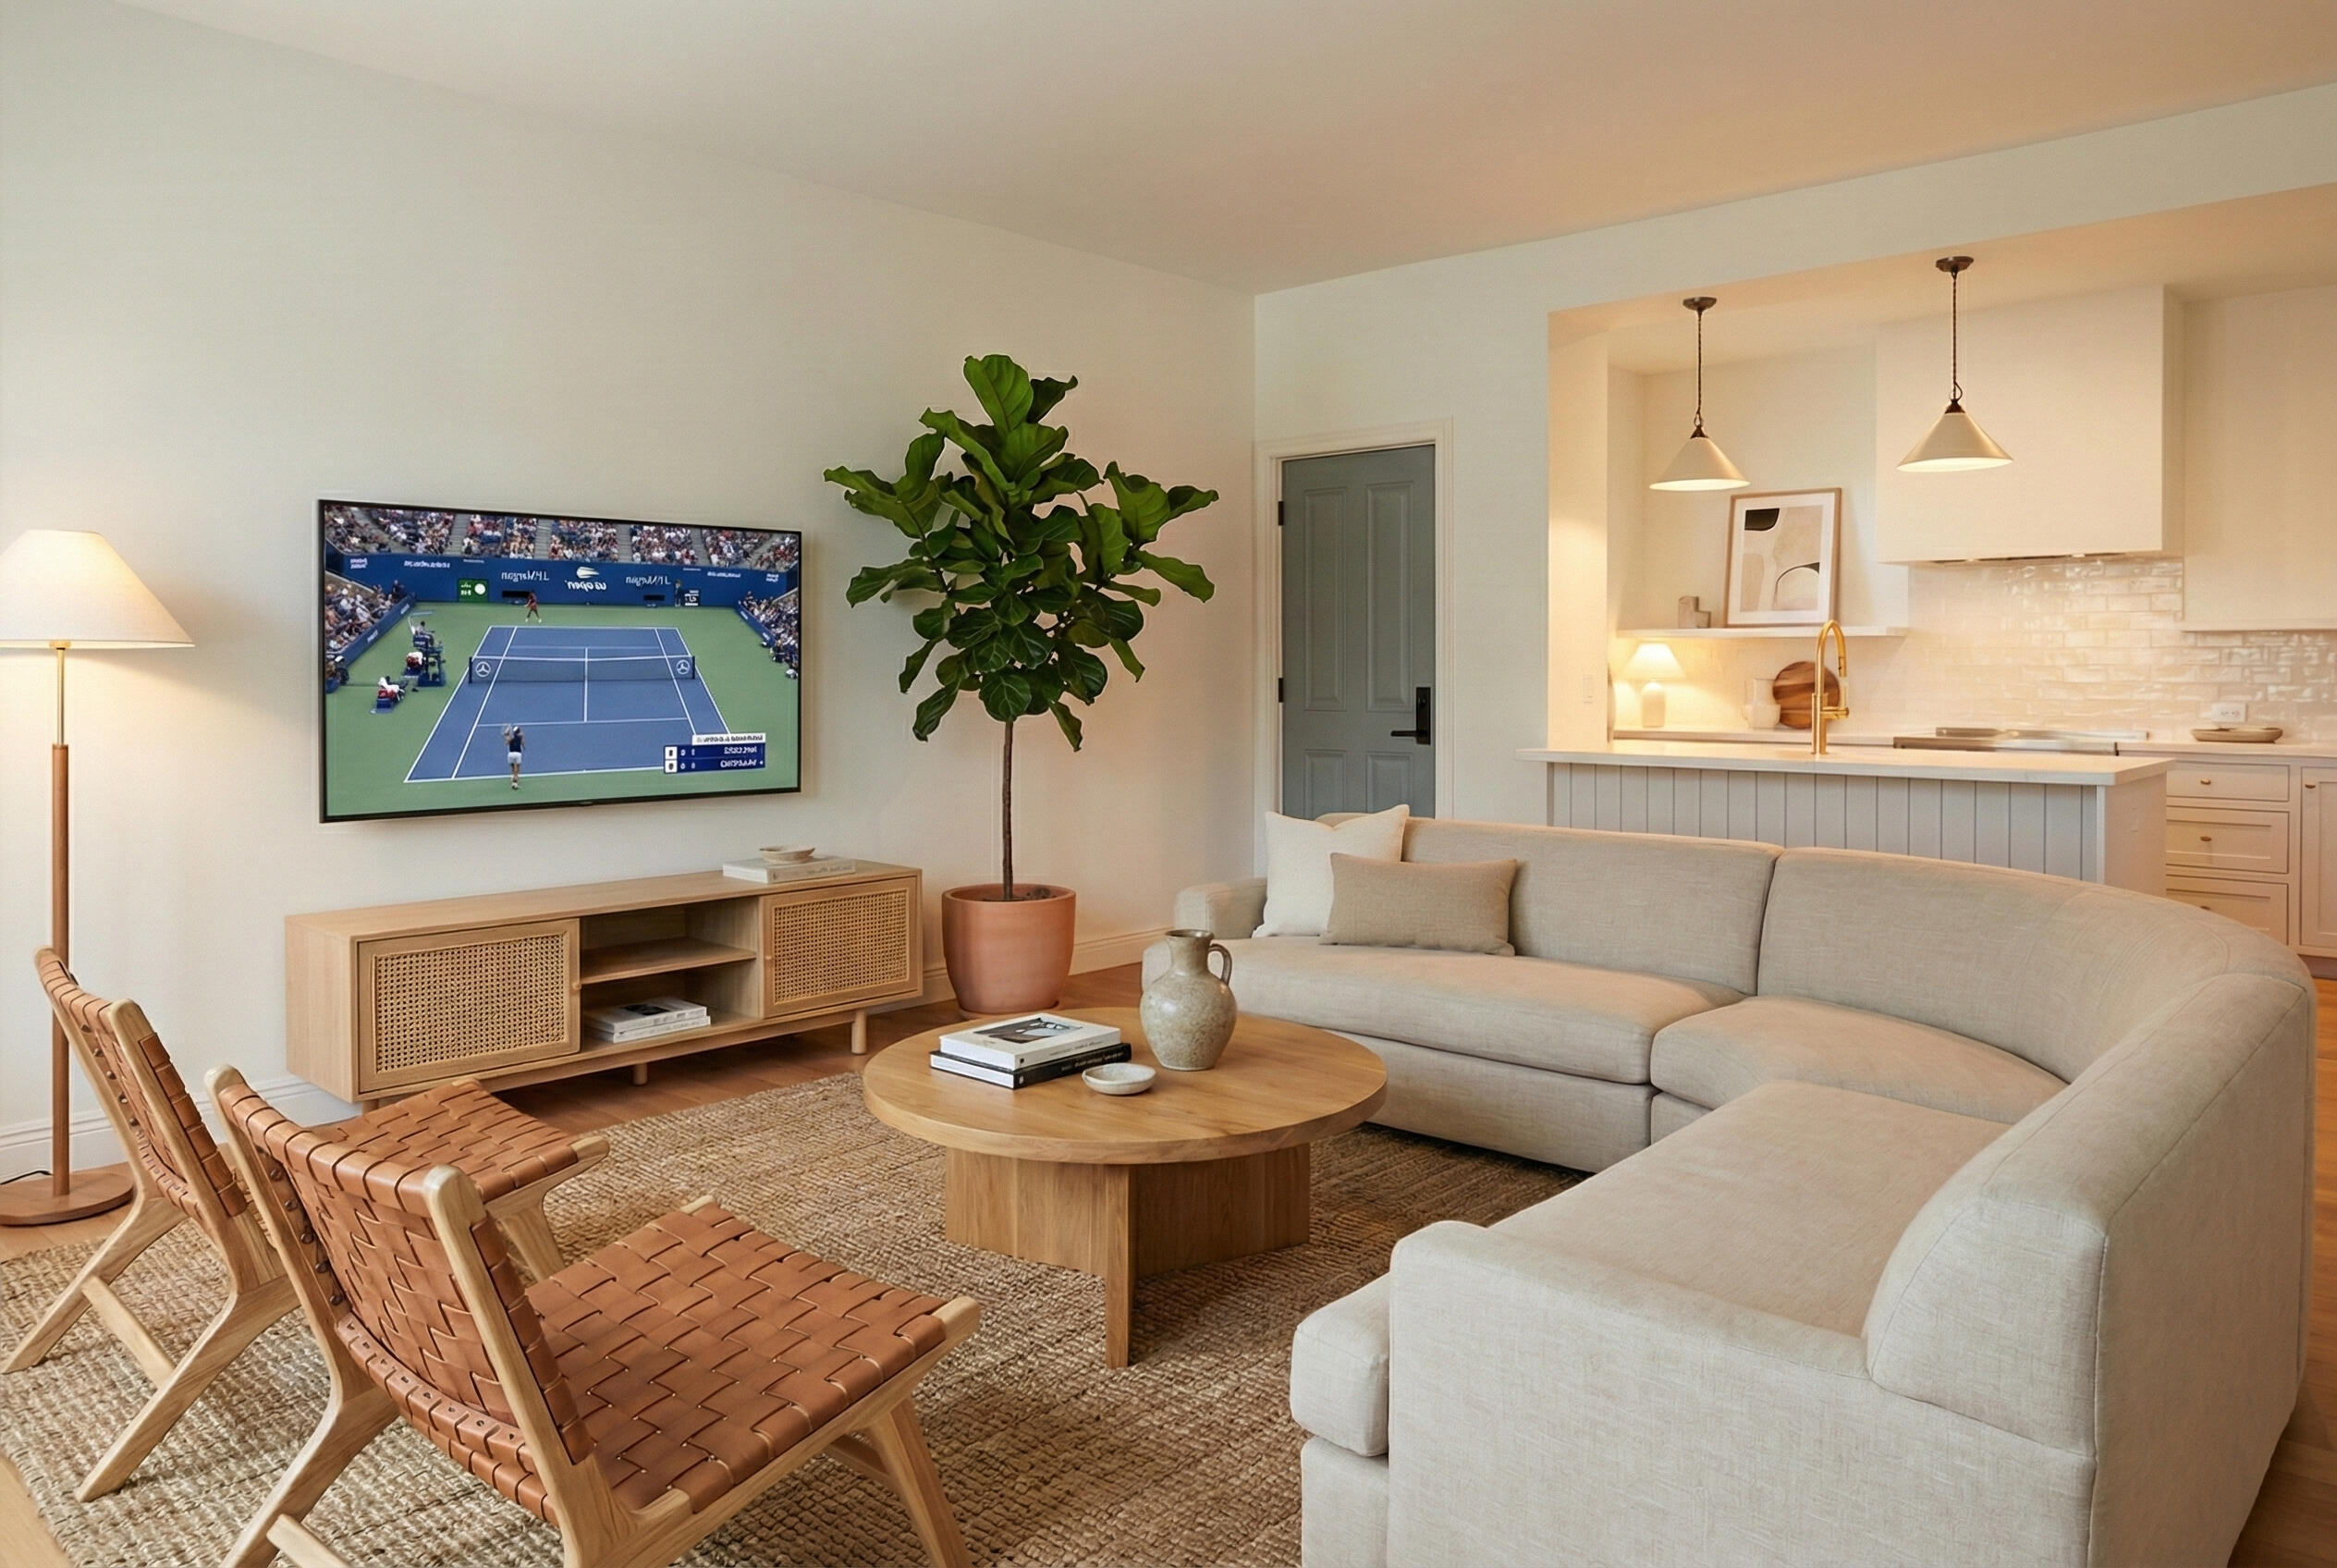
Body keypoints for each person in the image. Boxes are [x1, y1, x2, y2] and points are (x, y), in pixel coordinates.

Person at [503, 724, 525, 789]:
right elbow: (523, 743)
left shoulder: (510, 737)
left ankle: (514, 778)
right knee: (517, 768)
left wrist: (506, 735)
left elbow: (506, 743)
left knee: (513, 767)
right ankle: (515, 781)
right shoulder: (520, 737)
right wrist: (522, 737)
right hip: (518, 754)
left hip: (511, 754)